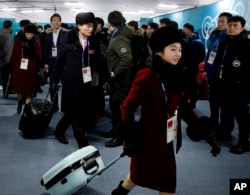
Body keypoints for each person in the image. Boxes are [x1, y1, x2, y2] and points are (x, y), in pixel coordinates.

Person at [111, 26, 213, 195]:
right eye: (172, 49)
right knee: (138, 175)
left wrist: (205, 132)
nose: (178, 54)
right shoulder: (147, 75)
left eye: (179, 49)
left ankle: (120, 191)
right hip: (147, 139)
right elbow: (128, 107)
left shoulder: (178, 74)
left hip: (167, 138)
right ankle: (120, 191)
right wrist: (130, 137)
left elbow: (184, 107)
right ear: (158, 51)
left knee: (166, 182)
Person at [52, 12, 103, 147]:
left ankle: (59, 131)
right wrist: (54, 80)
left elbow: (99, 61)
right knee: (76, 112)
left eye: (93, 26)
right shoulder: (67, 40)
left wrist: (106, 79)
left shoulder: (94, 41)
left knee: (74, 110)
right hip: (70, 81)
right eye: (88, 25)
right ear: (79, 25)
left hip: (86, 81)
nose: (91, 28)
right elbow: (59, 61)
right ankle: (82, 143)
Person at [213, 15, 250, 154]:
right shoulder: (225, 42)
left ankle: (244, 142)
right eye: (230, 25)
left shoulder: (246, 44)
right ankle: (225, 132)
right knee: (226, 111)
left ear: (242, 28)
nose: (232, 28)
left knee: (242, 117)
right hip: (224, 84)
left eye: (235, 25)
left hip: (241, 86)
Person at [100, 10, 133, 147]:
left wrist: (115, 73)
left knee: (120, 110)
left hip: (120, 82)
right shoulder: (119, 35)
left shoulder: (119, 38)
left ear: (109, 24)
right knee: (115, 108)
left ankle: (120, 138)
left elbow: (127, 58)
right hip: (118, 82)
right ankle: (115, 131)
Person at [203, 12, 232, 132]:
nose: (219, 23)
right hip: (213, 74)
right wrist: (206, 69)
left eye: (222, 21)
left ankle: (225, 129)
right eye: (218, 21)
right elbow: (210, 55)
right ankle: (213, 122)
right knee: (213, 100)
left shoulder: (228, 38)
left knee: (224, 104)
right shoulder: (216, 37)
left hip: (223, 77)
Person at [9, 23, 41, 114]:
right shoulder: (18, 41)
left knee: (29, 90)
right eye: (28, 34)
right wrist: (10, 65)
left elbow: (38, 56)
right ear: (24, 33)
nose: (29, 36)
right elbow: (14, 54)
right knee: (20, 90)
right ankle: (19, 103)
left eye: (31, 34)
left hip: (31, 70)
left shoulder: (36, 43)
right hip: (19, 69)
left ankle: (27, 109)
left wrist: (32, 51)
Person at [44, 13, 68, 113]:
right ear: (51, 22)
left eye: (58, 20)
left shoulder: (66, 33)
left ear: (61, 21)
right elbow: (46, 50)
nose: (56, 22)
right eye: (54, 20)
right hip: (52, 62)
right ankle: (54, 107)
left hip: (64, 63)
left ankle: (65, 107)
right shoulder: (48, 35)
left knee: (65, 84)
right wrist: (45, 63)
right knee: (52, 84)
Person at [183, 23, 206, 108]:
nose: (183, 30)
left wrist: (194, 62)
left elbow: (202, 55)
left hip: (191, 68)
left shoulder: (196, 41)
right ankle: (185, 103)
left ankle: (193, 103)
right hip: (184, 67)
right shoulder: (185, 40)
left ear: (189, 29)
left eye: (184, 28)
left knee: (192, 86)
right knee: (185, 86)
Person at [0, 20, 13, 98]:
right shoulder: (7, 35)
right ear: (9, 27)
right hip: (6, 59)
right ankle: (6, 92)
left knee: (3, 76)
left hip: (1, 59)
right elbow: (6, 48)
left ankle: (6, 91)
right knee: (6, 77)